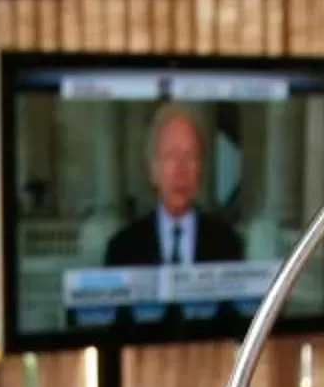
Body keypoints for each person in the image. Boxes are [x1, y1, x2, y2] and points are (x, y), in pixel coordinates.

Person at [101, 106, 244, 270]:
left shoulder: (228, 244)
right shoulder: (121, 249)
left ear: (201, 169)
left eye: (189, 156)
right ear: (153, 170)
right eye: (170, 156)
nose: (180, 170)